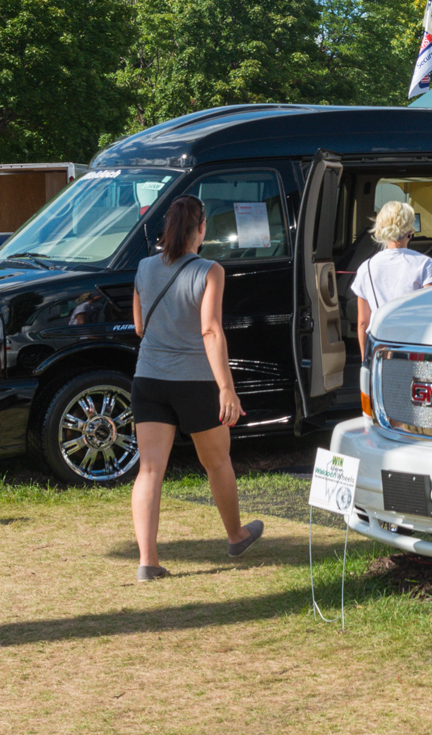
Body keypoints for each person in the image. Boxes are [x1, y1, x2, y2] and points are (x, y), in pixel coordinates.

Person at [129, 195, 263, 582]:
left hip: (148, 379)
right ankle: (236, 536)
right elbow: (210, 330)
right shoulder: (210, 271)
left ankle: (148, 561)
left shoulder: (144, 267)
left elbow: (139, 327)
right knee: (217, 461)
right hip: (195, 382)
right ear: (202, 229)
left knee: (149, 469)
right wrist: (227, 388)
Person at [349, 202, 432, 362]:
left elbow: (363, 321)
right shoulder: (425, 263)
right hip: (414, 348)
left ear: (380, 229)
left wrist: (365, 360)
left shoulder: (366, 267)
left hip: (379, 348)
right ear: (410, 230)